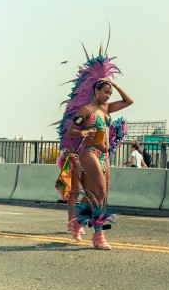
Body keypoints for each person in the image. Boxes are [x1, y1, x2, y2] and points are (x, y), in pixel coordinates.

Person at [55, 44, 132, 250]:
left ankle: (77, 222)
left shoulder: (106, 108)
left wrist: (114, 85)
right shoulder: (87, 109)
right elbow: (71, 130)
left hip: (103, 155)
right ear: (95, 90)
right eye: (105, 92)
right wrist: (84, 133)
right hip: (88, 153)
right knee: (97, 190)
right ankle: (99, 236)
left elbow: (129, 101)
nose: (107, 96)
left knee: (101, 195)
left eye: (109, 92)